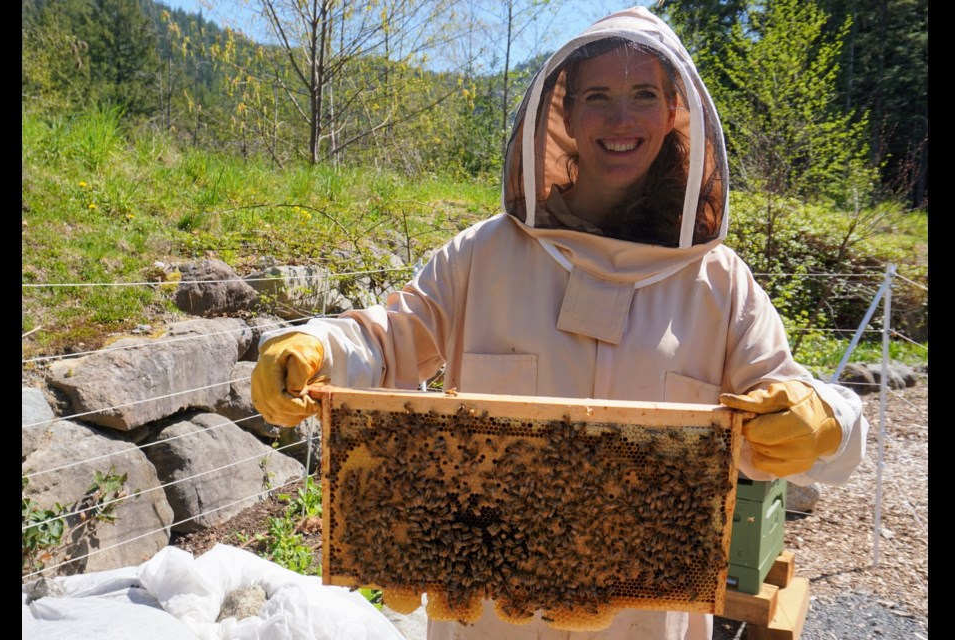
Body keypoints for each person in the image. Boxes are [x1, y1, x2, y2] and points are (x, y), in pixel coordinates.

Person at [251, 7, 868, 640]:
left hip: (647, 625)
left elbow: (808, 412)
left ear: (672, 113)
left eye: (642, 96)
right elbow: (386, 341)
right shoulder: (483, 256)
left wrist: (823, 420)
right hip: (491, 621)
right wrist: (316, 344)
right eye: (597, 96)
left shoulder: (720, 282)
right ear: (564, 115)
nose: (620, 118)